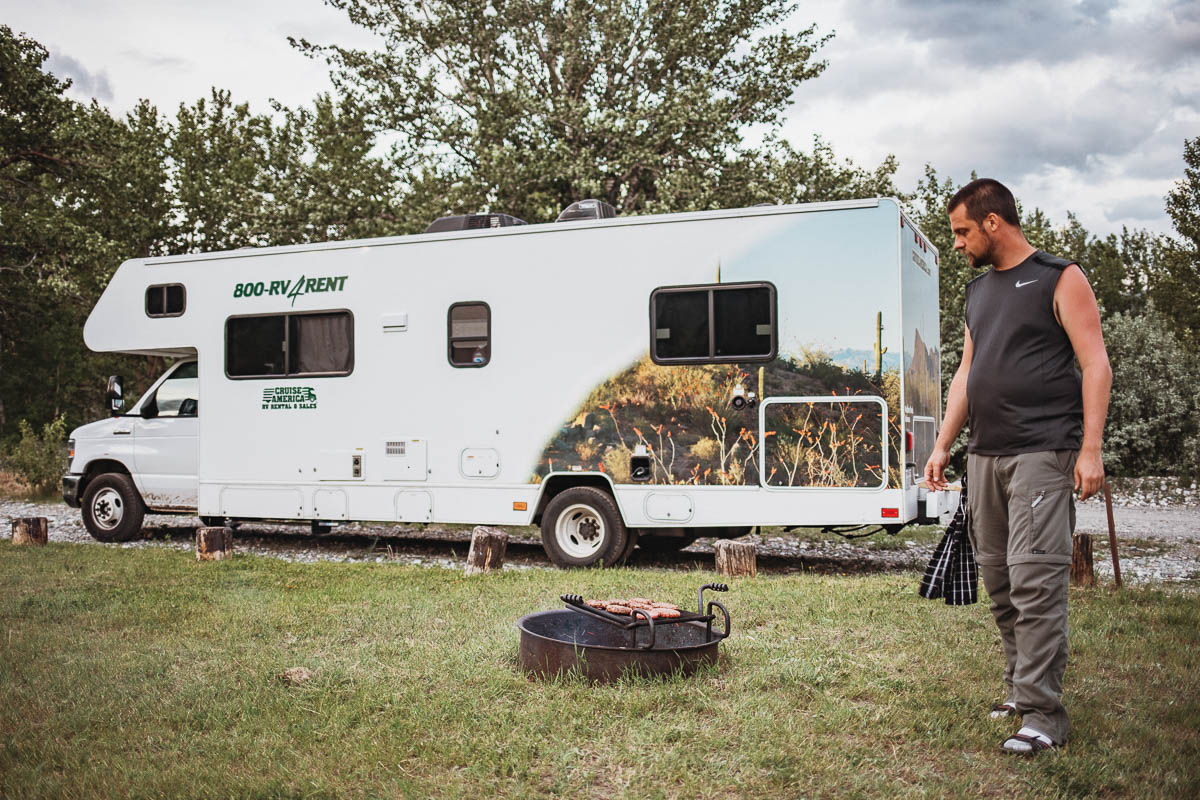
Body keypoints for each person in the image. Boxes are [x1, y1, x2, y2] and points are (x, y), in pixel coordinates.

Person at [923, 178, 1111, 755]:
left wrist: (1091, 448)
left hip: (1041, 450)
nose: (956, 244)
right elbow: (965, 375)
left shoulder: (1060, 276)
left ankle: (1043, 717)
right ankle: (1017, 687)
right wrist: (942, 444)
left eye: (960, 232)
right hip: (985, 454)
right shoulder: (978, 294)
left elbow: (1096, 363)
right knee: (1001, 581)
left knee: (1036, 580)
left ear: (992, 224)